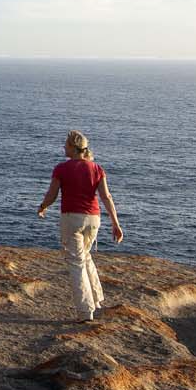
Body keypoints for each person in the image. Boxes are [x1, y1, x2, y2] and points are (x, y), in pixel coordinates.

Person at [36, 129, 124, 320]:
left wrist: (42, 207)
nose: (63, 147)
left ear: (73, 148)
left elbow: (52, 195)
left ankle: (85, 311)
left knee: (76, 263)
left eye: (66, 144)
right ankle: (97, 299)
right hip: (93, 219)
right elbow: (106, 197)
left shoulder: (62, 169)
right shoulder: (97, 169)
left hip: (71, 218)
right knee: (85, 257)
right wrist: (115, 223)